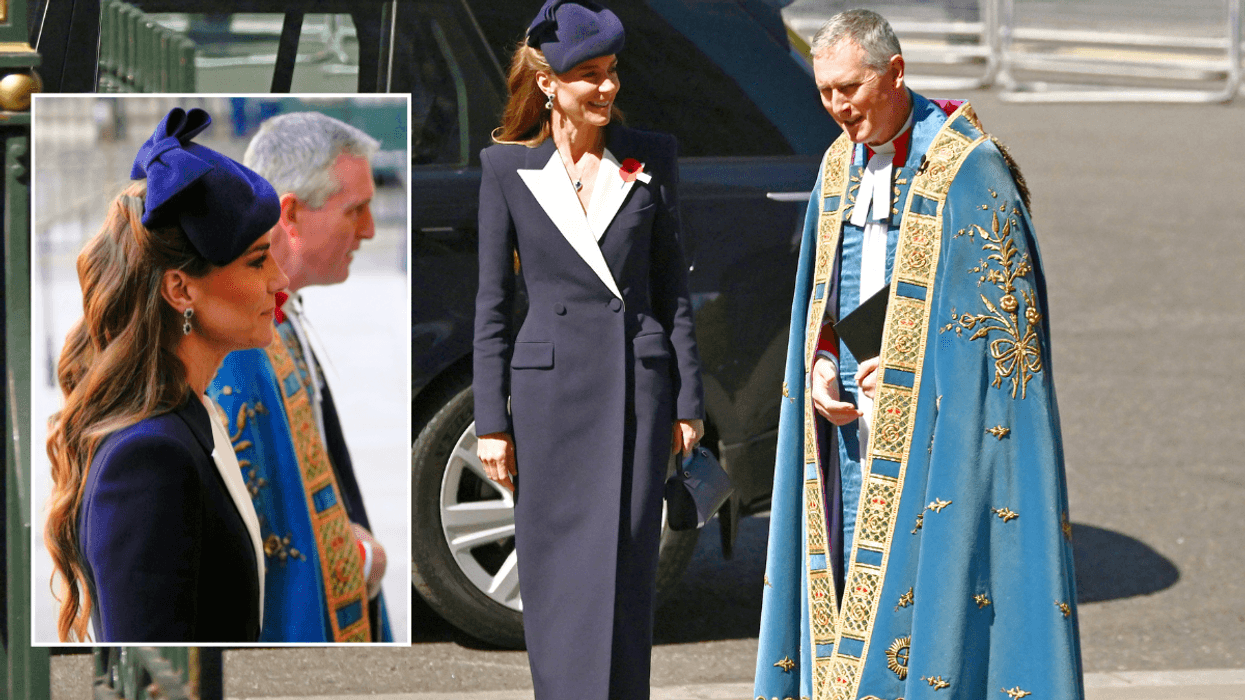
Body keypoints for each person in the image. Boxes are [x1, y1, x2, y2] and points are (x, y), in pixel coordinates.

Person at [753, 10, 1083, 700]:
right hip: (848, 429)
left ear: (894, 73)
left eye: (850, 88)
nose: (838, 108)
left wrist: (912, 365)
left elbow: (1003, 344)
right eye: (824, 92)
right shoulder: (838, 162)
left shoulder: (969, 168)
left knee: (923, 603)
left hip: (937, 435)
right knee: (846, 582)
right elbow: (828, 282)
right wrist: (818, 357)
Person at [473, 1, 705, 697]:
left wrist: (688, 400)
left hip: (636, 392)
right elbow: (491, 305)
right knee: (555, 575)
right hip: (549, 400)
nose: (606, 88)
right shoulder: (505, 169)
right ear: (549, 84)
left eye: (611, 72)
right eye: (588, 76)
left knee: (627, 573)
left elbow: (673, 293)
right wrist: (490, 421)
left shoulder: (650, 158)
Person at [44, 107, 285, 642]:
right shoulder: (149, 457)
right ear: (181, 289)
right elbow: (151, 667)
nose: (280, 278)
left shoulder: (187, 415)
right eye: (257, 261)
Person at [206, 111, 392, 643]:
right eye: (354, 210)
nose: (370, 230)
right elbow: (256, 519)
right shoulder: (240, 341)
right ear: (290, 212)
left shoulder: (276, 312)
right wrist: (357, 558)